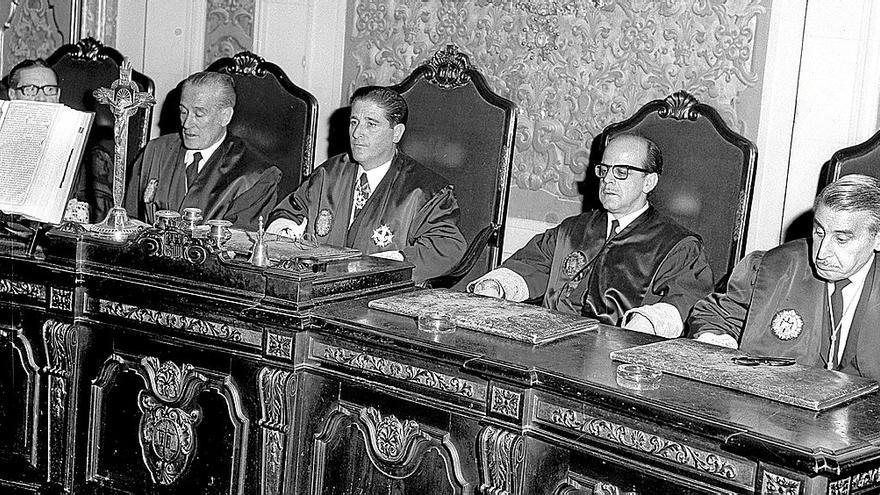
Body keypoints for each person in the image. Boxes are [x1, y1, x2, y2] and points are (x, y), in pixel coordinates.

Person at [470, 134, 713, 337]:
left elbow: (685, 301)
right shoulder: (573, 229)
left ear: (648, 182)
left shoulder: (678, 245)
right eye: (604, 170)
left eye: (622, 172)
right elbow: (531, 265)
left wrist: (645, 325)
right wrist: (497, 285)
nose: (607, 179)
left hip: (612, 358)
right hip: (548, 343)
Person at [266, 86, 465, 284]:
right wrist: (286, 230)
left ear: (396, 133)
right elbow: (290, 211)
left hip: (381, 298)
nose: (357, 133)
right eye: (354, 122)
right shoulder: (329, 173)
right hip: (316, 290)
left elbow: (447, 246)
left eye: (371, 124)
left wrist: (394, 263)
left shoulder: (426, 190)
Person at [689, 174, 880, 380]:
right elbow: (715, 316)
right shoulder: (774, 267)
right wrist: (717, 341)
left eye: (841, 239)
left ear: (877, 239)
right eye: (819, 232)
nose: (822, 253)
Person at [125, 71, 280, 230]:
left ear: (225, 116)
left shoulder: (256, 176)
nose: (186, 124)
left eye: (199, 114)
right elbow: (129, 222)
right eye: (183, 111)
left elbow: (239, 247)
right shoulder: (155, 152)